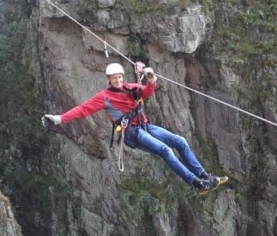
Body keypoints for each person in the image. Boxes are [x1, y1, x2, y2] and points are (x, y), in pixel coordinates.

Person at [42, 62, 225, 194]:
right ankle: (195, 183)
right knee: (165, 150)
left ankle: (204, 175)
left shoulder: (129, 87)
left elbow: (145, 92)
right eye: (114, 78)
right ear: (109, 79)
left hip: (145, 126)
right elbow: (82, 110)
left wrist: (151, 79)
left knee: (180, 141)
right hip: (132, 133)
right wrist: (58, 119)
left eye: (120, 77)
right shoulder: (104, 97)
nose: (118, 80)